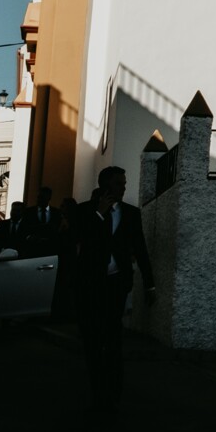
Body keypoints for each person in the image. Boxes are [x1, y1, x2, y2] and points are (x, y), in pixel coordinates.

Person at [74, 166, 156, 416]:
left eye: (124, 182)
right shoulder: (85, 212)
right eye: (119, 183)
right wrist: (99, 215)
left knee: (112, 340)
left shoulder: (131, 214)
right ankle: (98, 393)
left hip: (117, 285)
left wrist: (150, 282)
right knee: (93, 342)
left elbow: (140, 248)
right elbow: (81, 242)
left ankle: (113, 395)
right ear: (106, 186)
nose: (124, 187)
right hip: (91, 287)